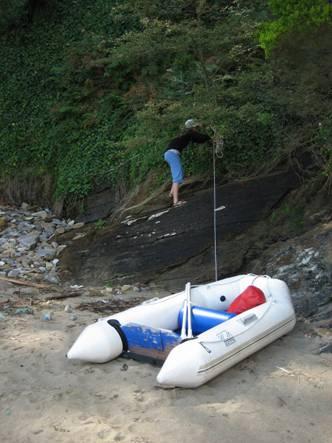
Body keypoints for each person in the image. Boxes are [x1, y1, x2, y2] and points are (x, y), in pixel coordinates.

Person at [164, 119, 211, 207]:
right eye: (196, 127)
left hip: (169, 154)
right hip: (172, 154)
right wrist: (210, 136)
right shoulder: (190, 133)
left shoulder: (185, 134)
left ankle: (171, 194)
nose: (197, 128)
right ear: (192, 127)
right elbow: (201, 138)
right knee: (177, 176)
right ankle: (175, 202)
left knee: (178, 173)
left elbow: (198, 140)